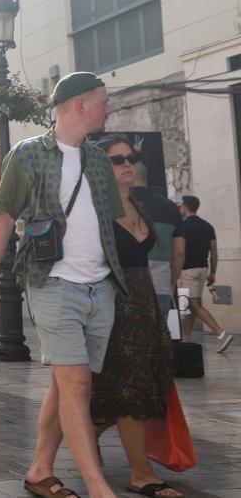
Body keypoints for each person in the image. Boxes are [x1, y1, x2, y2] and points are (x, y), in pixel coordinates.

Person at [0, 72, 124, 498]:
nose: (107, 108)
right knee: (76, 382)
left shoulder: (98, 160)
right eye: (103, 101)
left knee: (68, 384)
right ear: (80, 105)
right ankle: (98, 486)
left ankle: (40, 469)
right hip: (52, 281)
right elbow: (2, 221)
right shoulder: (27, 155)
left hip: (100, 286)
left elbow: (112, 220)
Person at [91, 136, 178, 498]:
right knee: (131, 391)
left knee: (148, 385)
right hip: (116, 306)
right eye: (117, 159)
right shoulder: (95, 211)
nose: (128, 163)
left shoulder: (138, 205)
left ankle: (89, 431)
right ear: (100, 167)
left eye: (132, 157)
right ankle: (141, 474)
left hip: (144, 305)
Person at [174, 196, 232, 352]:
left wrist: (175, 272)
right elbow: (214, 252)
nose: (181, 208)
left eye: (181, 206)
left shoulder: (182, 226)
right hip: (203, 269)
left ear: (186, 207)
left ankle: (221, 334)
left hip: (187, 271)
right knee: (188, 306)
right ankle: (185, 340)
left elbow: (180, 252)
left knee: (192, 305)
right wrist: (213, 272)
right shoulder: (208, 226)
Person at [128, 161, 182, 318]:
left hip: (127, 286)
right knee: (158, 337)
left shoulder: (121, 204)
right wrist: (172, 283)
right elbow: (180, 252)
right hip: (161, 284)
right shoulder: (171, 207)